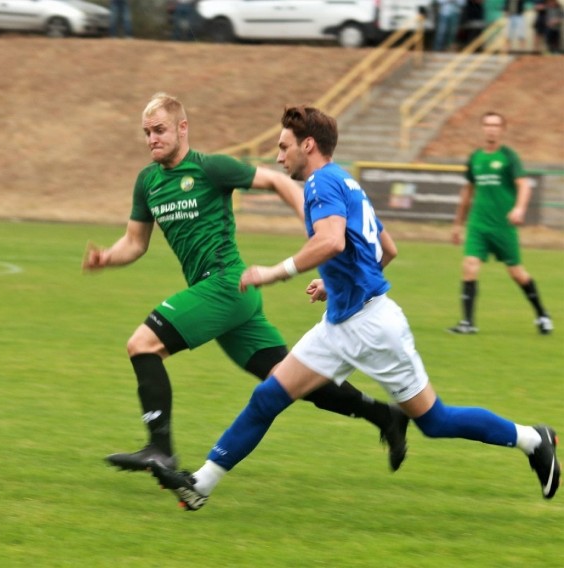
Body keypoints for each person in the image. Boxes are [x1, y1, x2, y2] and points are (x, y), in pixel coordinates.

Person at [149, 105, 559, 511]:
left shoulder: (320, 184)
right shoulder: (345, 181)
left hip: (373, 328)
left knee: (436, 421)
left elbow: (332, 242)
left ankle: (533, 439)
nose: (278, 156)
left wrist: (275, 271)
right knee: (268, 397)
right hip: (340, 324)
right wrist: (334, 283)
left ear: (308, 145)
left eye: (283, 146)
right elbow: (387, 249)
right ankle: (200, 485)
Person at [83, 93, 409, 475]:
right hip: (233, 298)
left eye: (159, 130)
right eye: (146, 133)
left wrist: (314, 217)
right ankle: (385, 416)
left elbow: (272, 179)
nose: (152, 139)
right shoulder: (148, 181)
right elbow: (135, 243)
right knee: (286, 379)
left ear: (182, 129)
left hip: (224, 283)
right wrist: (107, 257)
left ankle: (160, 449)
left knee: (142, 344)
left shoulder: (210, 168)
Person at [448, 111, 553, 335]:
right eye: (487, 125)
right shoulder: (475, 157)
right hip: (478, 225)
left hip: (503, 226)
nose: (491, 129)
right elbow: (467, 193)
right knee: (469, 266)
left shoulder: (508, 157)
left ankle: (542, 315)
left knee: (517, 273)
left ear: (502, 130)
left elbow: (524, 185)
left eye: (496, 125)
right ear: (482, 128)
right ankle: (467, 322)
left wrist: (519, 208)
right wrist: (458, 224)